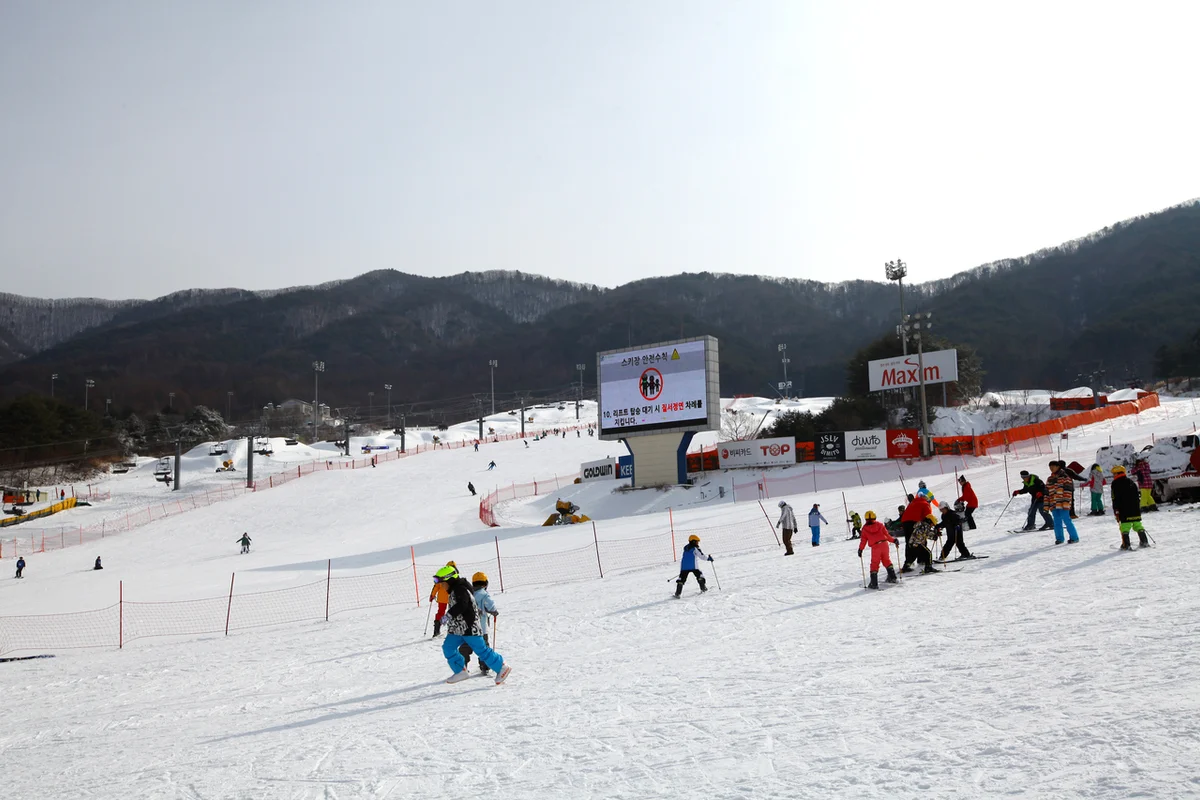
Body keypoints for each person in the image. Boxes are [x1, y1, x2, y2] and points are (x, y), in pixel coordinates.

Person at [435, 566, 511, 684]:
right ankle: (460, 671)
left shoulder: (460, 589)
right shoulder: (455, 590)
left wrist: (448, 615)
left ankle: (502, 667)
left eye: (442, 583)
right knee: (448, 647)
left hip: (470, 628)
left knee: (481, 650)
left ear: (449, 580)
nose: (441, 586)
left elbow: (462, 605)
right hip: (457, 629)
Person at [459, 572, 499, 676]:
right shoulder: (484, 595)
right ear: (485, 584)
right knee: (483, 647)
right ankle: (484, 666)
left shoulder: (468, 593)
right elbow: (491, 606)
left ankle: (462, 666)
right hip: (481, 628)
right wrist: (494, 611)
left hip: (467, 627)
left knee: (465, 647)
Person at [1110, 465, 1150, 550]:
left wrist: (1116, 510)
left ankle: (1126, 544)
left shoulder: (1115, 483)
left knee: (1125, 526)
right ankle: (1144, 541)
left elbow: (1115, 498)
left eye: (1114, 474)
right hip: (1135, 508)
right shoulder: (1131, 482)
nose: (1113, 476)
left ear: (1117, 473)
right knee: (1138, 524)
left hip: (1124, 509)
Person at [858, 510, 899, 589]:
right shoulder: (880, 525)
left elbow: (863, 541)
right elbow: (887, 535)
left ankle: (874, 583)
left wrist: (860, 549)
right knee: (886, 560)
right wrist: (894, 540)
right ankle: (892, 577)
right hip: (884, 544)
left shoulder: (865, 529)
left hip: (875, 547)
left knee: (874, 564)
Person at [1045, 461, 1080, 544]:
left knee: (1067, 520)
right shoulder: (1050, 479)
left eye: (1053, 466)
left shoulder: (1065, 477)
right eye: (1050, 467)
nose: (1051, 468)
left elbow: (1068, 491)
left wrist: (1066, 503)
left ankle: (1074, 537)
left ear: (1058, 467)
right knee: (1057, 522)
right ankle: (1059, 538)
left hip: (1063, 503)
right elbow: (1047, 493)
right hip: (1054, 504)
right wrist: (1047, 505)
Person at [899, 493, 933, 564]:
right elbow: (929, 517)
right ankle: (922, 559)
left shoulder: (913, 502)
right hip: (914, 523)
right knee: (919, 540)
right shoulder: (925, 503)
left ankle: (908, 562)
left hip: (905, 523)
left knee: (909, 542)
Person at [429, 560, 457, 637]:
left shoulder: (441, 577)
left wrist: (432, 595)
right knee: (453, 612)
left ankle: (437, 629)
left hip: (442, 598)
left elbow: (436, 586)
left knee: (441, 612)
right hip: (451, 598)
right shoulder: (454, 577)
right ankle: (452, 628)